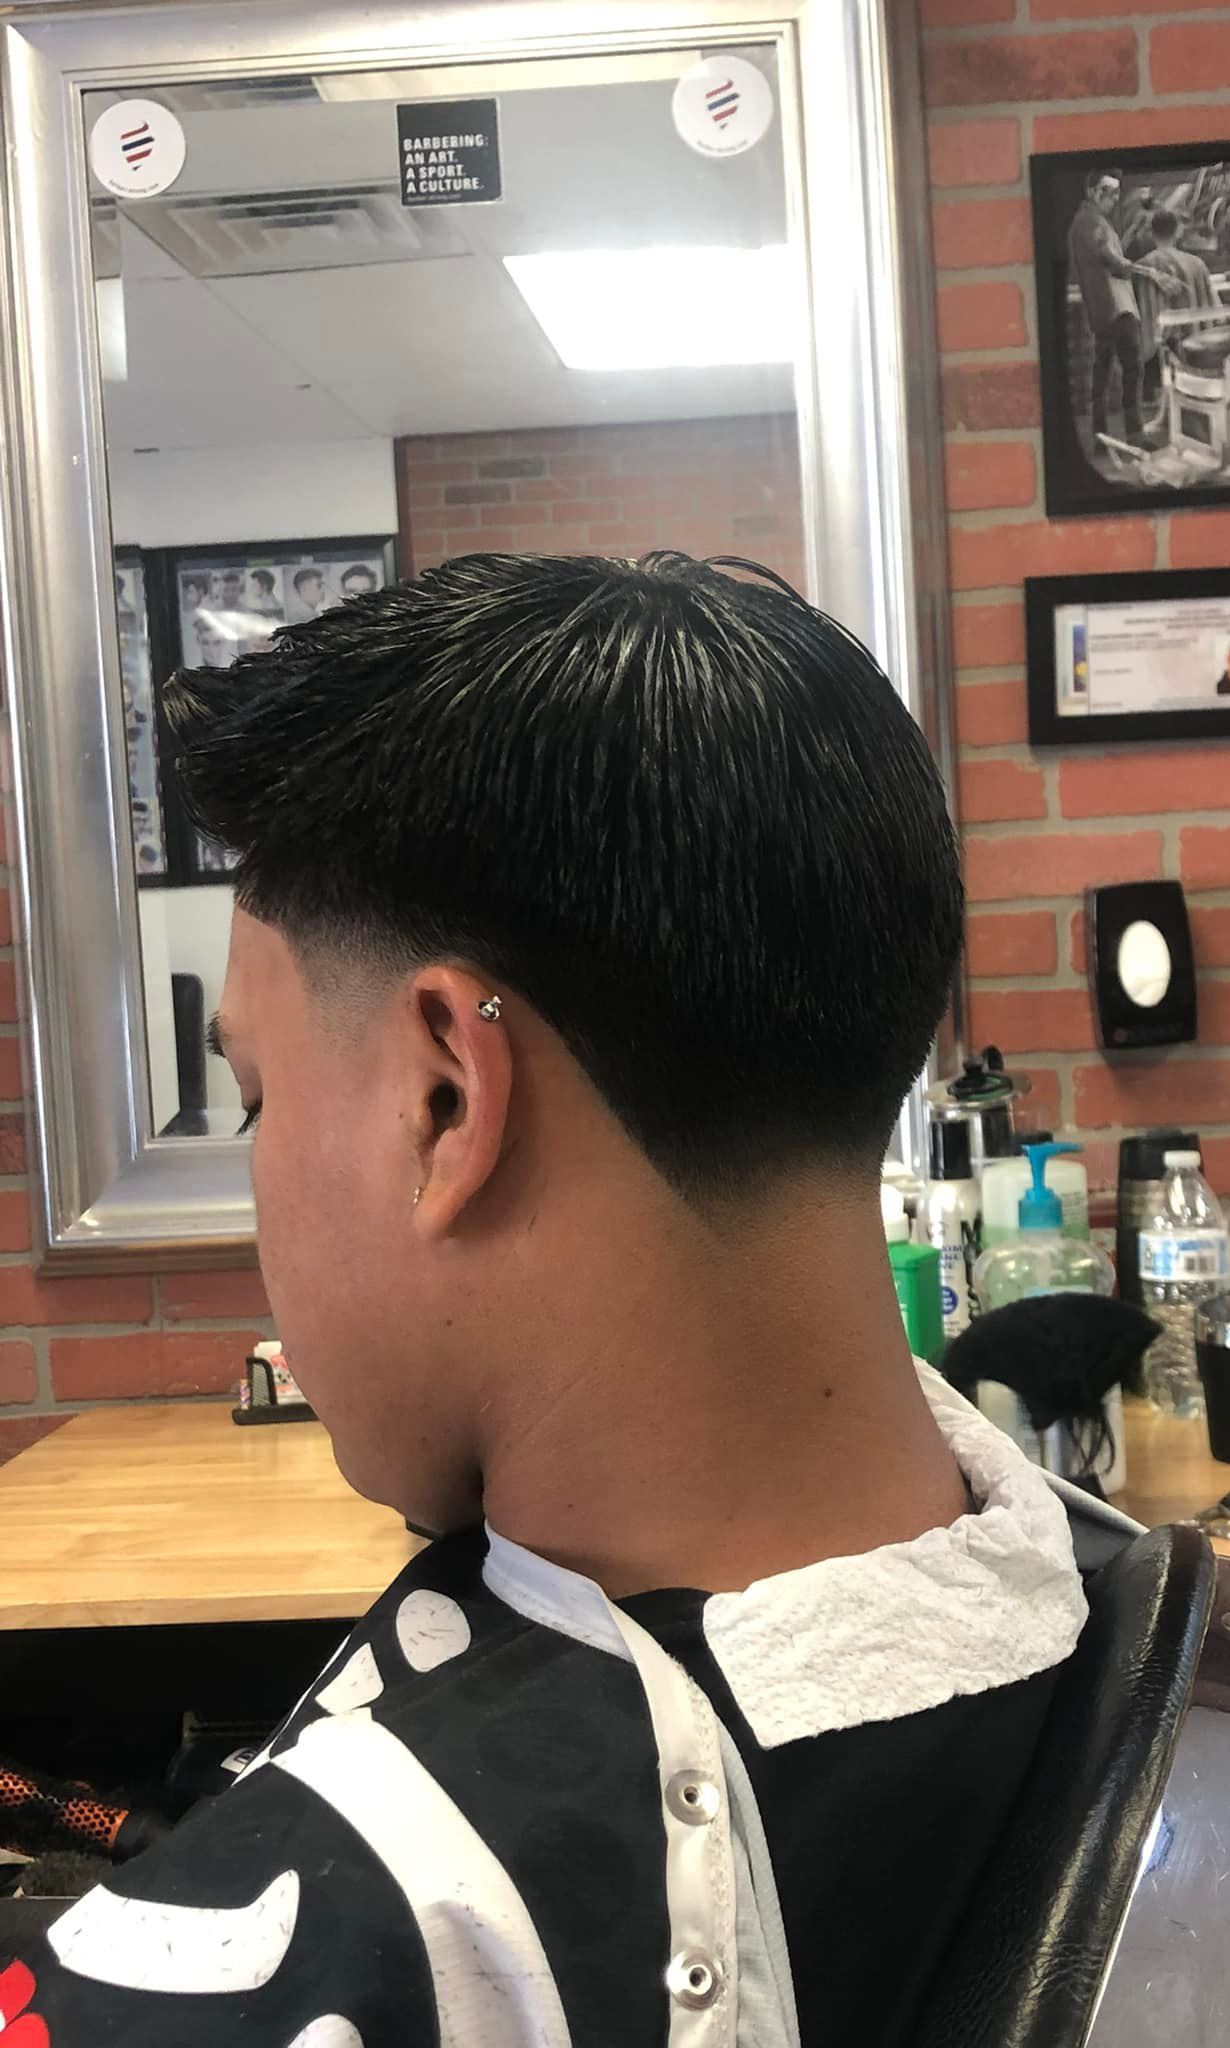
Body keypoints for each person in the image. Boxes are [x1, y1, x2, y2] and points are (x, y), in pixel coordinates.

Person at [16, 553, 1088, 2047]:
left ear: (445, 1097)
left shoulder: (266, 1971)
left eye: (257, 1097)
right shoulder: (1110, 1610)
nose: (261, 1167)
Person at [1068, 169, 1181, 446]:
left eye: (1118, 192)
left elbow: (1112, 256)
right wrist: (1154, 274)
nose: (1116, 199)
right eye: (1110, 192)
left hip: (1105, 309)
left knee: (1103, 371)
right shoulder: (1091, 223)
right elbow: (1116, 263)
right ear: (1093, 192)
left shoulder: (1089, 223)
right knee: (1132, 368)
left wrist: (1129, 234)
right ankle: (1134, 434)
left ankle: (1100, 436)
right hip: (1116, 308)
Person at [1135, 206, 1219, 412]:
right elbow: (1214, 308)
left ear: (1152, 233)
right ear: (1178, 232)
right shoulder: (1196, 263)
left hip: (1157, 348)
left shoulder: (1145, 266)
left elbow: (1141, 315)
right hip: (1194, 346)